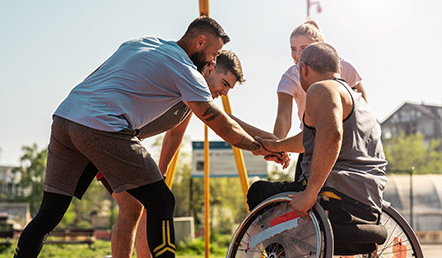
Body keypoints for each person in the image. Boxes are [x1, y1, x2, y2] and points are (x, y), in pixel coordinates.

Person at [14, 16, 287, 258]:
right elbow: (222, 125)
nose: (213, 61)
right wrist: (258, 148)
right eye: (214, 56)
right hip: (103, 129)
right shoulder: (187, 72)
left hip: (67, 118)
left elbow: (224, 121)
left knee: (50, 215)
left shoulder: (145, 43)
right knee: (161, 201)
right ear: (200, 43)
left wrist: (273, 141)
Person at [105, 50, 276, 258]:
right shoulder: (187, 82)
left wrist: (162, 171)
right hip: (106, 132)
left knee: (139, 205)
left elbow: (175, 133)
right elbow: (226, 122)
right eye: (224, 83)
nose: (224, 92)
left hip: (111, 135)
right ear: (211, 69)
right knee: (137, 206)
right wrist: (270, 142)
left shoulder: (190, 95)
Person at [249, 42, 387, 253]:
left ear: (303, 69)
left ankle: (281, 255)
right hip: (368, 204)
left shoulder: (320, 89)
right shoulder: (357, 101)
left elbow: (331, 135)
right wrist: (276, 145)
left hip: (335, 199)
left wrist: (310, 193)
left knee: (258, 193)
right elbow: (312, 137)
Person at [273, 20, 368, 181]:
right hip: (310, 144)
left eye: (303, 48)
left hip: (347, 145)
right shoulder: (290, 77)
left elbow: (364, 109)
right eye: (293, 49)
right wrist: (277, 147)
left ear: (320, 47)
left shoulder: (345, 68)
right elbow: (283, 117)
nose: (297, 55)